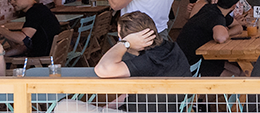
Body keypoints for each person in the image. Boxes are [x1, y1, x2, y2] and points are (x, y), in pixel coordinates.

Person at [50, 12, 190, 113]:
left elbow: (102, 69)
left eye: (120, 36)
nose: (118, 38)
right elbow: (130, 93)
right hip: (164, 108)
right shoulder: (168, 48)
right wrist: (110, 106)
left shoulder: (150, 60)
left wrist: (125, 43)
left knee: (63, 106)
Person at [176, 0, 241, 77]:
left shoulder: (212, 8)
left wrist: (225, 32)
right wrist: (222, 32)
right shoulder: (213, 14)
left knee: (238, 71)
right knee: (235, 78)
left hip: (195, 56)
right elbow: (220, 38)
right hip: (189, 63)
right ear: (233, 6)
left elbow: (238, 27)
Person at [0, 0, 64, 60]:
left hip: (40, 61)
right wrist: (3, 55)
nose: (11, 2)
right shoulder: (41, 9)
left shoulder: (35, 12)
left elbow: (23, 39)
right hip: (51, 57)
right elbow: (25, 45)